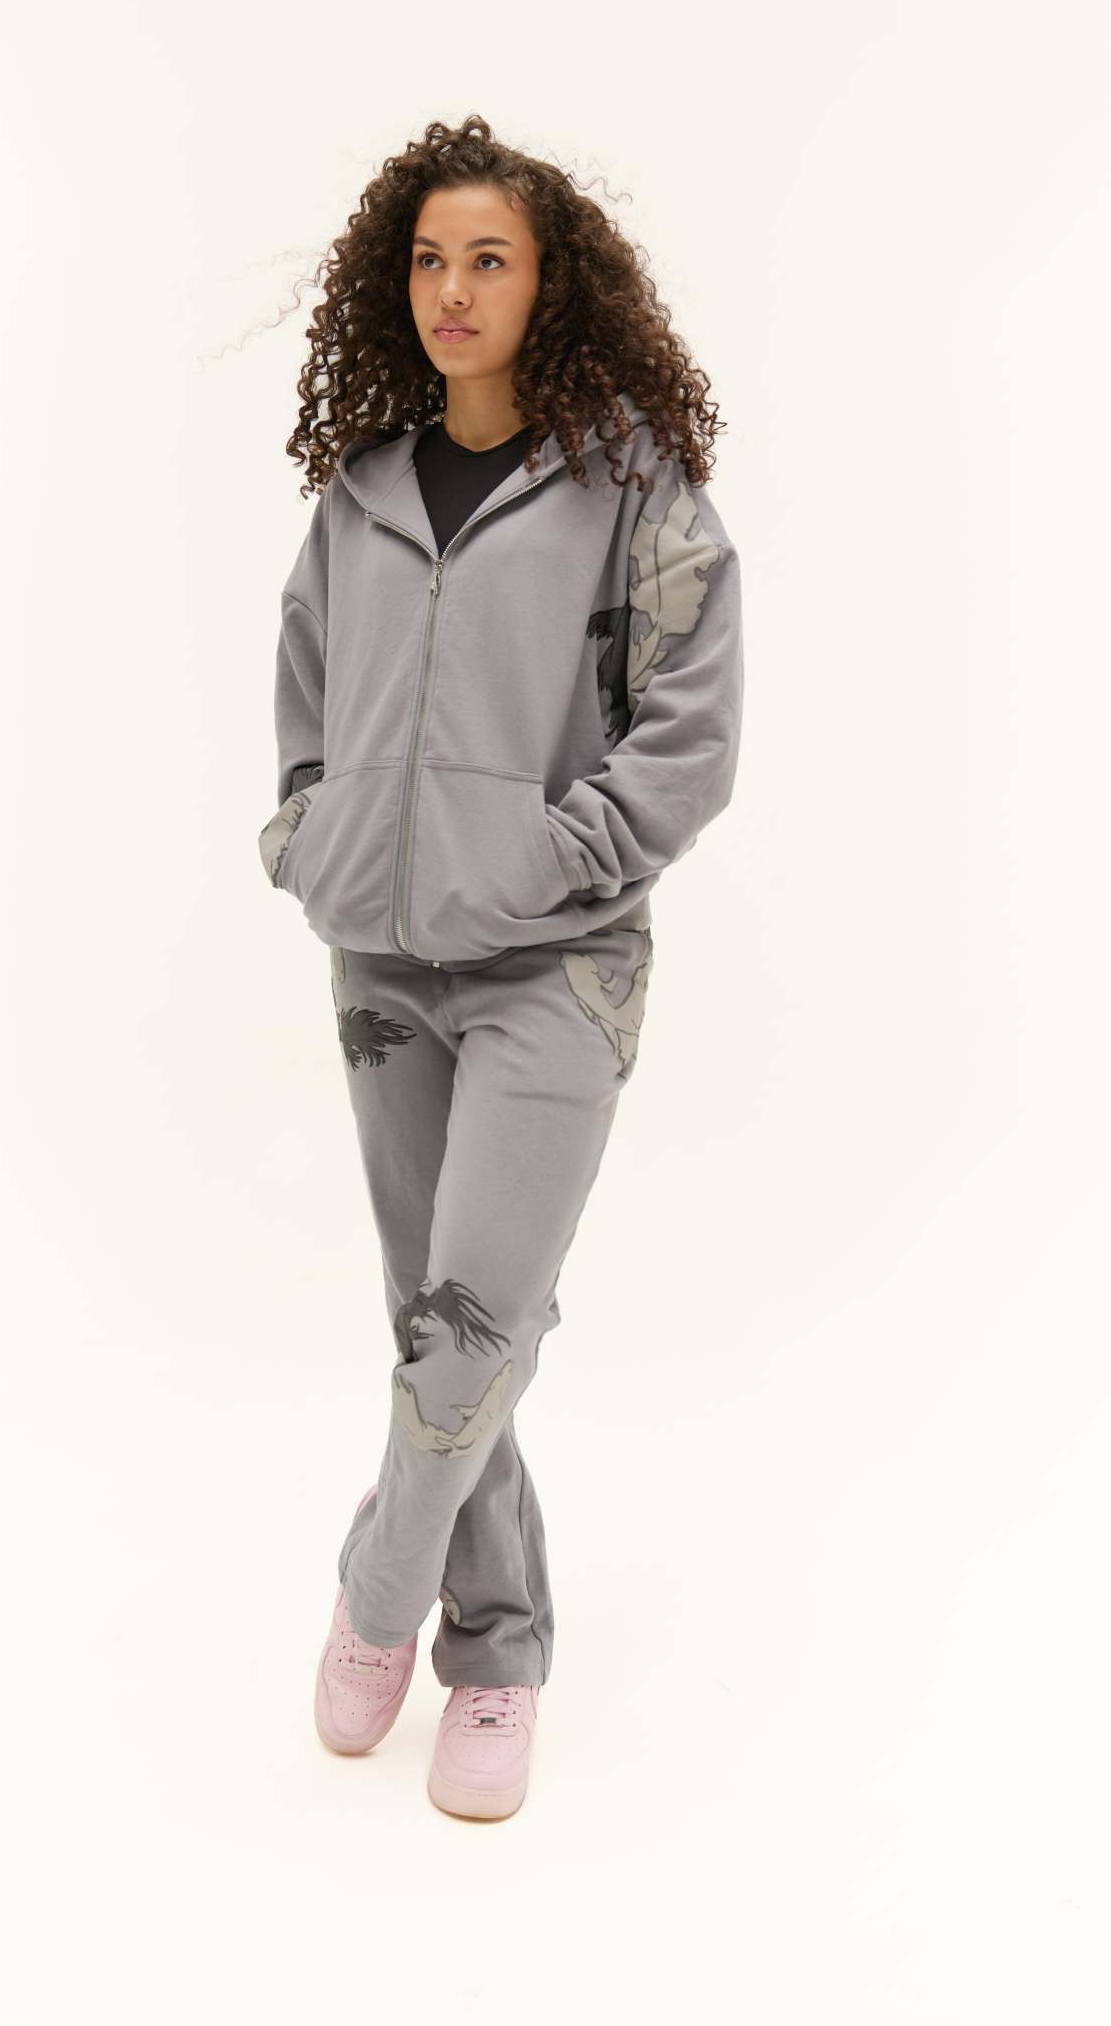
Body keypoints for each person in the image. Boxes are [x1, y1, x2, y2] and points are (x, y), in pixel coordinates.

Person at [259, 114, 744, 1820]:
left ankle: (377, 1595)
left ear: (551, 286)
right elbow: (303, 692)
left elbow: (688, 743)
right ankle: (504, 1650)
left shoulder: (633, 493)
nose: (451, 289)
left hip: (557, 972)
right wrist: (308, 836)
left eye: (489, 259)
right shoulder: (363, 493)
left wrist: (541, 863)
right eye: (426, 260)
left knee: (477, 1327)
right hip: (382, 969)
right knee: (439, 1332)